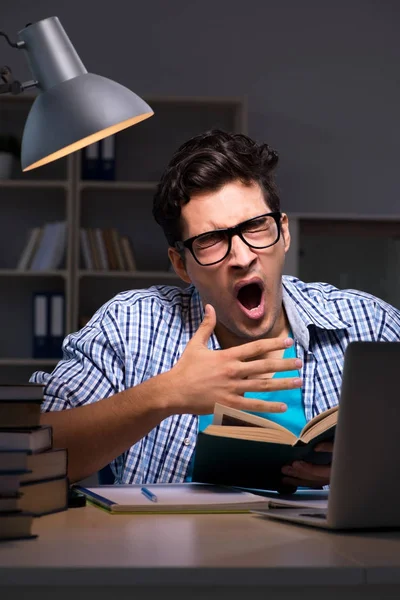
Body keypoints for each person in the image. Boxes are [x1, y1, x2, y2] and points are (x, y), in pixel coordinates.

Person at [31, 129, 400, 490]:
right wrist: (165, 395)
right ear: (180, 264)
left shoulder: (370, 325)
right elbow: (30, 457)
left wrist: (374, 475)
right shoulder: (129, 325)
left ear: (283, 232)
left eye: (256, 226)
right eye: (210, 240)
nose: (242, 257)